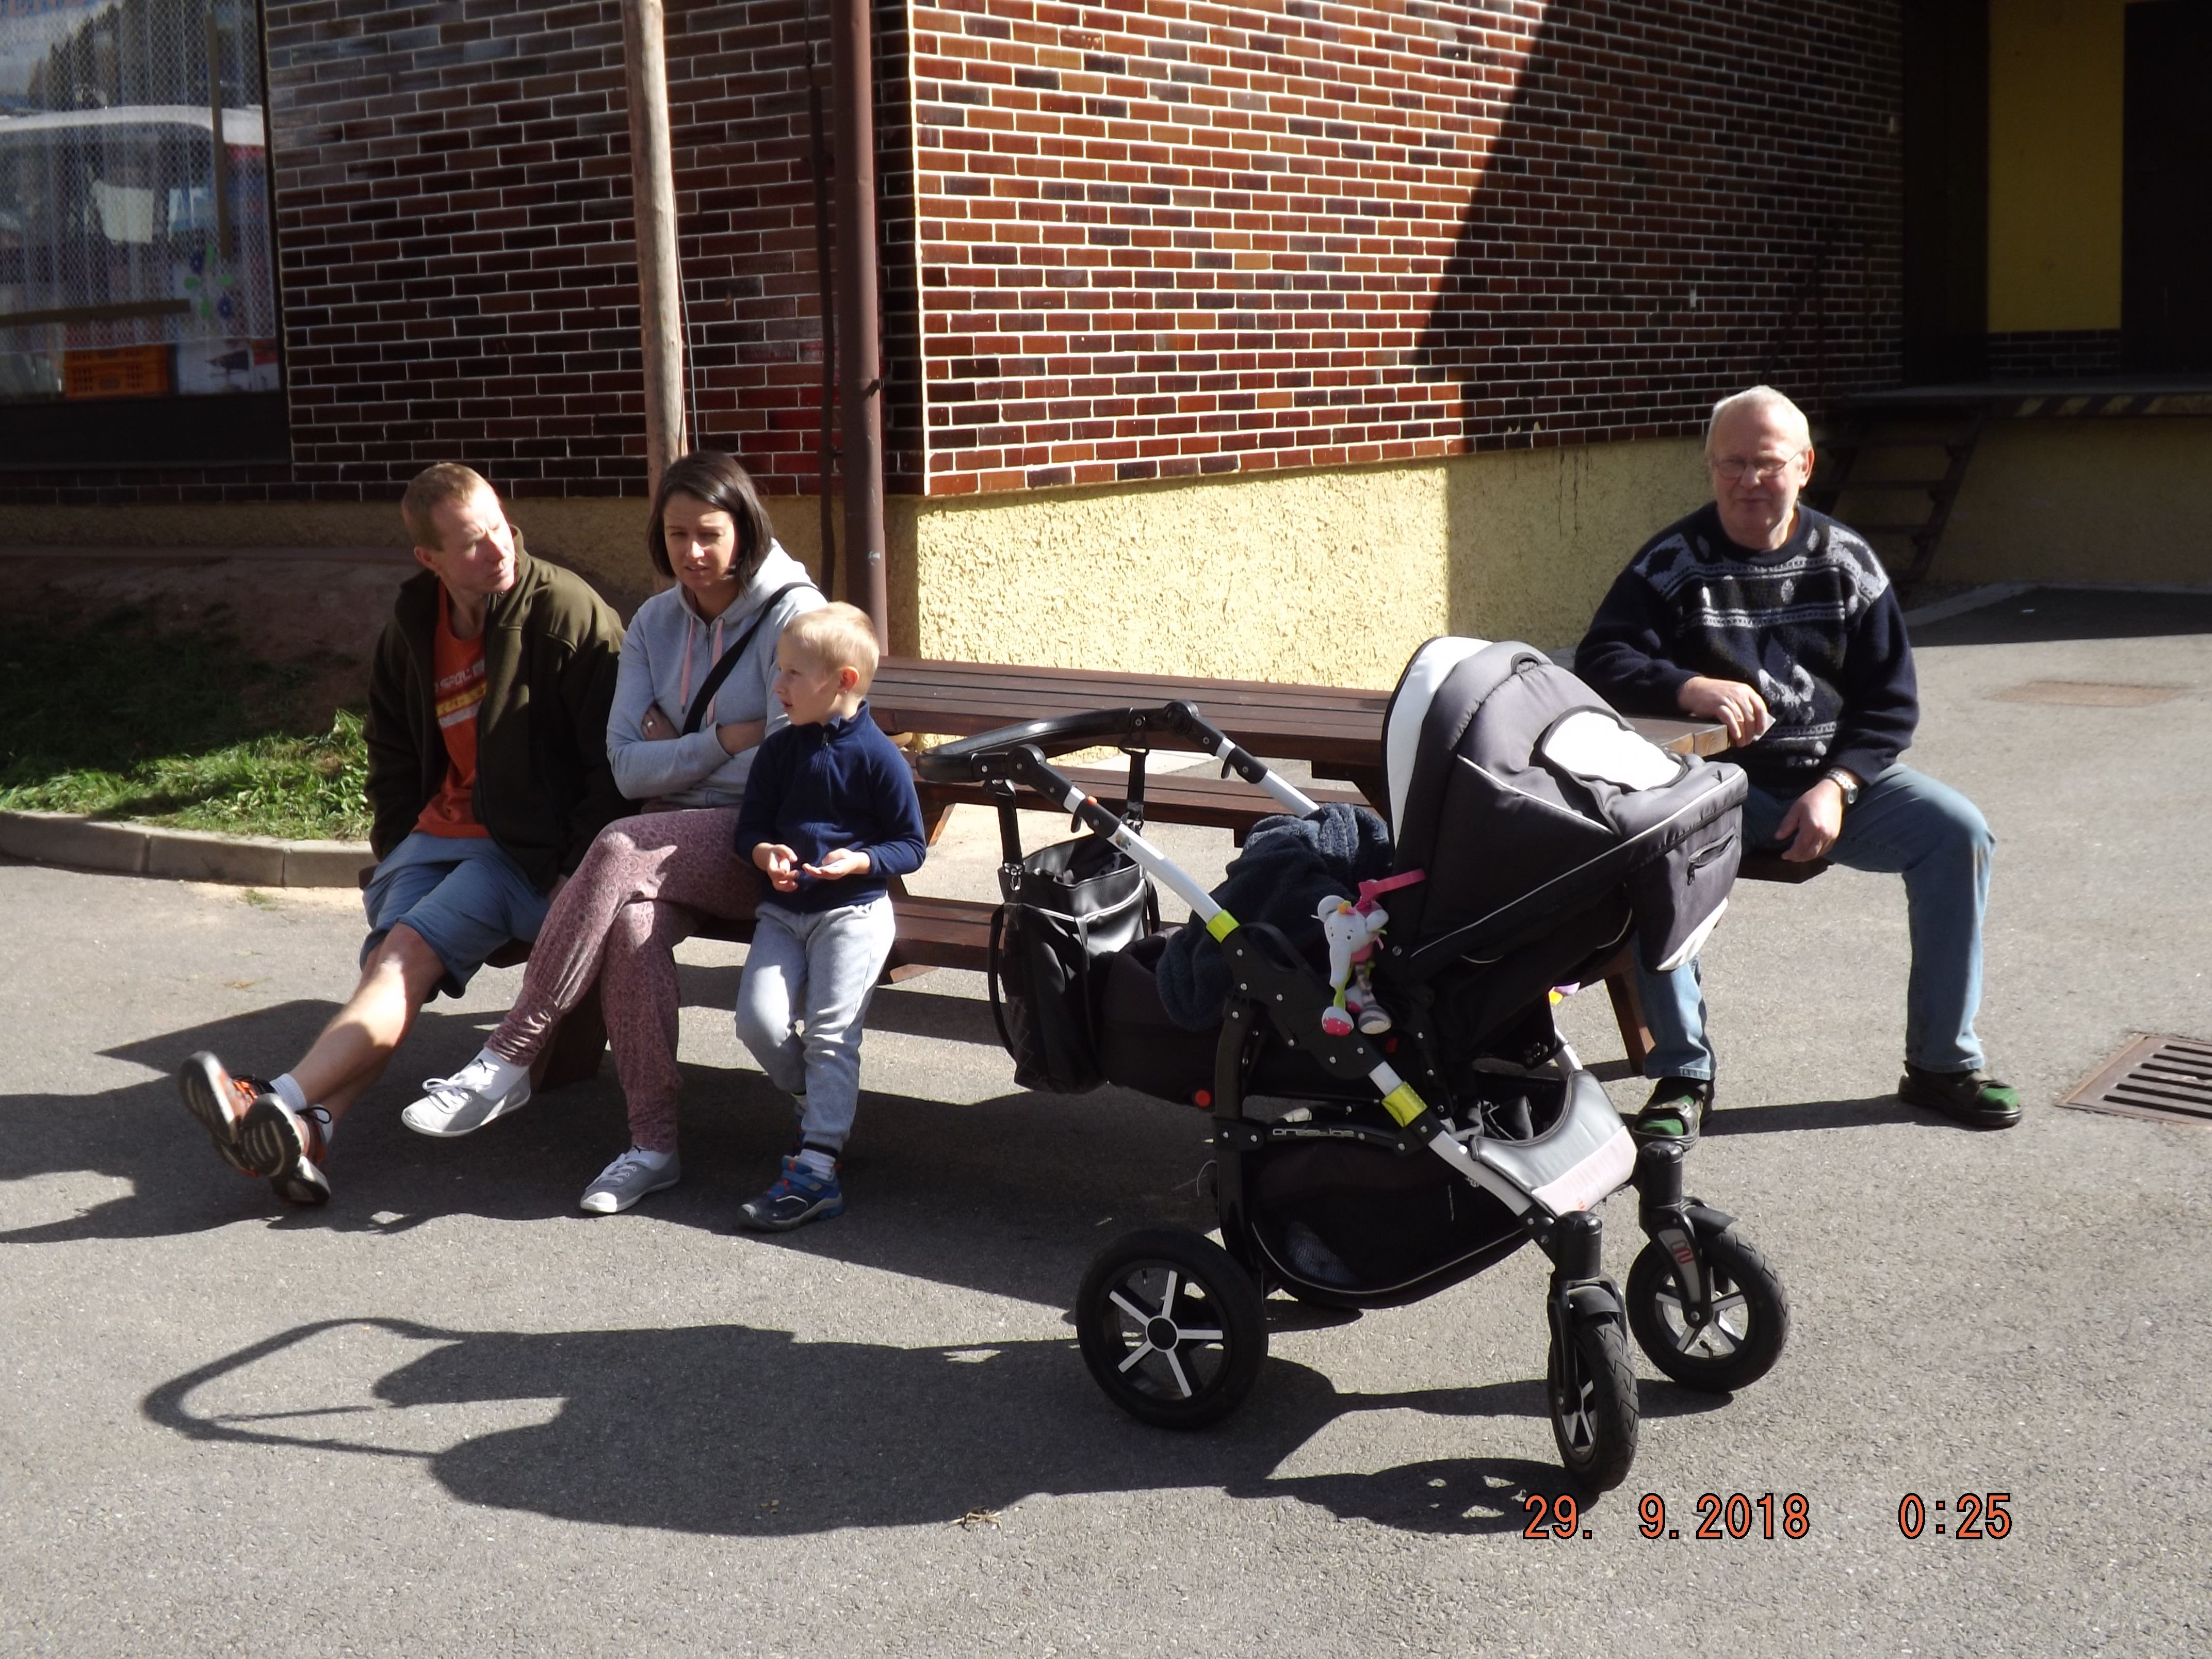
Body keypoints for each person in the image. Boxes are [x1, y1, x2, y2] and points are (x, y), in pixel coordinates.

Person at [1574, 385, 2017, 1141]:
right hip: (1717, 789)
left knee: (1958, 833)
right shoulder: (1672, 562)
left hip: (1832, 778)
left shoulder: (1847, 561)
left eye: (1768, 463)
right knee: (1652, 848)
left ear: (1805, 466)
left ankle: (1942, 1063)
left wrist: (1838, 786)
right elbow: (1602, 658)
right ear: (1710, 467)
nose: (1749, 480)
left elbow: (1890, 704)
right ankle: (1683, 1075)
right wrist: (1687, 685)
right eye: (1731, 463)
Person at [177, 463, 626, 1203]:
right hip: (435, 837)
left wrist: (571, 871)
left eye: (500, 526)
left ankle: (271, 1099)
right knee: (392, 968)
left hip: (527, 857)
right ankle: (314, 1129)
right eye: (472, 543)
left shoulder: (566, 612)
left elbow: (611, 763)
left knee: (402, 956)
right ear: (431, 558)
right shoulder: (414, 627)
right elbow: (388, 748)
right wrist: (394, 839)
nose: (499, 549)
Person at [395, 450, 824, 1216]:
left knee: (621, 845)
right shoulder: (655, 622)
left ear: (744, 529)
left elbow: (785, 766)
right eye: (677, 534)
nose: (693, 552)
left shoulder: (794, 615)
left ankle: (510, 1053)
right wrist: (725, 740)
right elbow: (625, 767)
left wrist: (679, 751)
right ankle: (652, 1146)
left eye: (710, 534)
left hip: (765, 841)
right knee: (631, 926)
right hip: (670, 840)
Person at [730, 602, 928, 1230]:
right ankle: (816, 1101)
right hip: (783, 913)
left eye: (793, 673)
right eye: (779, 670)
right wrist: (765, 853)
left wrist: (861, 861)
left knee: (831, 1034)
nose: (778, 685)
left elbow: (911, 846)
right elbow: (749, 829)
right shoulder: (778, 752)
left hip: (854, 913)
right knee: (757, 1022)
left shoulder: (878, 756)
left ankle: (816, 1169)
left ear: (842, 681)